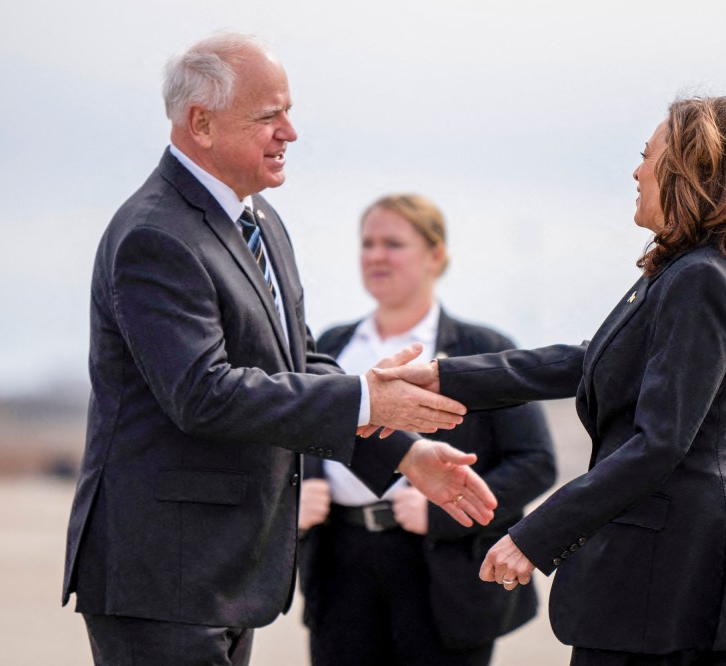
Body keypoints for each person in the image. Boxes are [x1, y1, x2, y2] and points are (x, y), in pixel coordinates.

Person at [61, 33, 497, 666]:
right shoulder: (155, 235)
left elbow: (296, 367)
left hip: (226, 575)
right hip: (162, 575)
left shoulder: (259, 220)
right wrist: (364, 396)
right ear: (201, 124)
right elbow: (203, 394)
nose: (289, 132)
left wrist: (403, 452)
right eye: (269, 116)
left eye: (288, 112)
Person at [373, 97, 726, 665]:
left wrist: (535, 535)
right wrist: (443, 377)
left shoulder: (701, 278)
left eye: (649, 156)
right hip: (669, 573)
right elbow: (589, 359)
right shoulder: (697, 268)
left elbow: (660, 442)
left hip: (671, 577)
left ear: (690, 173)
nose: (637, 171)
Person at [296, 193, 557, 665]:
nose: (376, 255)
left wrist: (439, 512)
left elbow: (536, 464)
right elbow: (294, 435)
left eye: (392, 243)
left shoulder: (482, 349)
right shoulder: (329, 346)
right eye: (367, 243)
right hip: (338, 564)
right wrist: (295, 496)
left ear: (435, 255)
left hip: (446, 575)